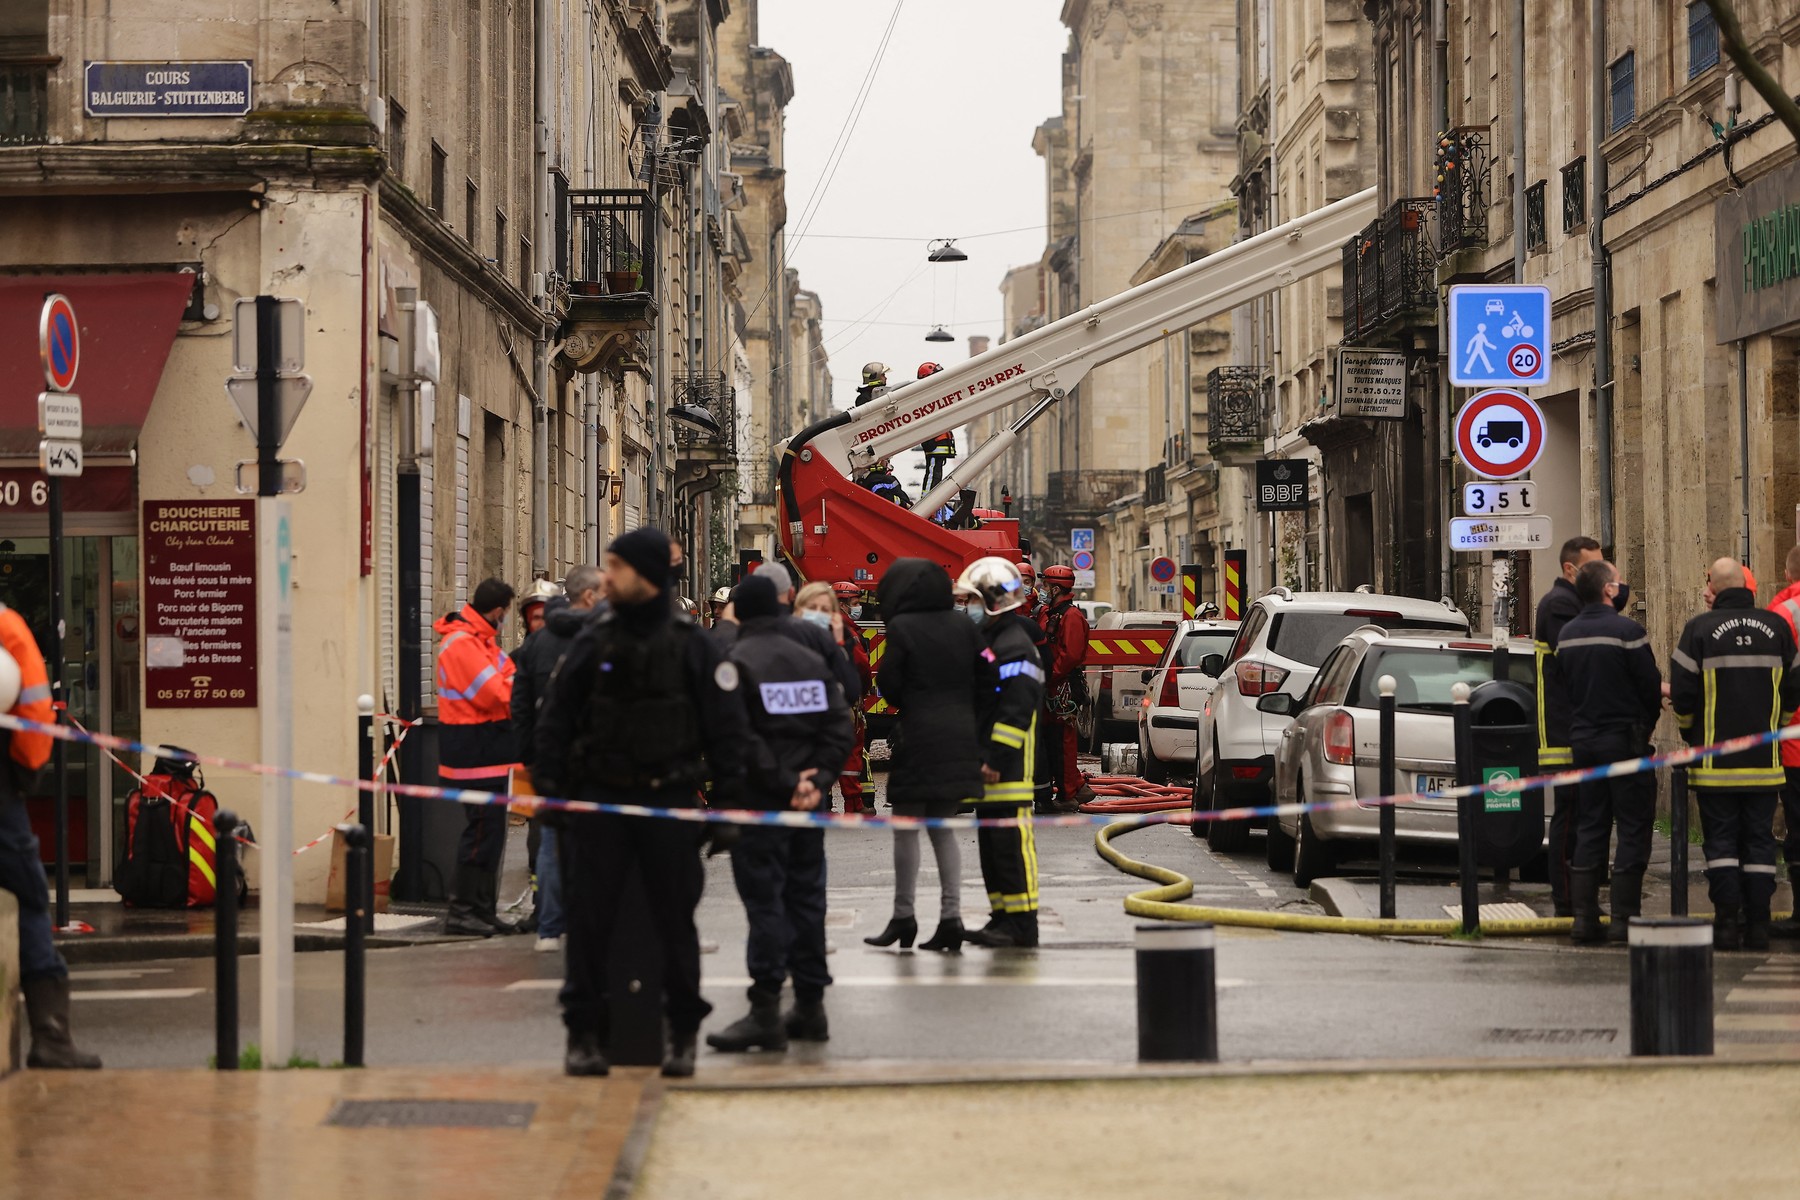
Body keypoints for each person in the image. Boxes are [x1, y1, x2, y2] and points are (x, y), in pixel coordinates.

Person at [533, 527, 751, 1079]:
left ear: (645, 573)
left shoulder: (691, 643)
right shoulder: (594, 640)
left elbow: (727, 730)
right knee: (589, 922)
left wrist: (727, 805)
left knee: (674, 921)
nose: (606, 577)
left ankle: (682, 1033)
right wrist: (552, 796)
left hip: (668, 801)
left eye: (616, 567)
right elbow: (555, 722)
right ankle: (584, 1034)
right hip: (601, 801)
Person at [706, 575, 855, 1053]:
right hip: (807, 805)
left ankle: (766, 1009)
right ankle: (811, 1006)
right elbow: (840, 723)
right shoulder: (810, 659)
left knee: (766, 904)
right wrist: (818, 779)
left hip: (762, 804)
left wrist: (786, 782)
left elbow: (736, 738)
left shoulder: (735, 663)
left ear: (741, 614)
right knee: (807, 900)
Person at [866, 559, 995, 955]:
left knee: (906, 828)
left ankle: (903, 916)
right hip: (960, 738)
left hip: (919, 737)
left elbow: (889, 683)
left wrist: (914, 697)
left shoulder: (902, 627)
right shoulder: (965, 626)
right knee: (943, 828)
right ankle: (951, 918)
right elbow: (990, 670)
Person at [1671, 557, 1800, 951]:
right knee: (1760, 844)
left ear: (1714, 584)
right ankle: (1759, 927)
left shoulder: (1699, 630)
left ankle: (1727, 924)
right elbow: (1794, 688)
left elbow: (1683, 694)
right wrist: (1777, 725)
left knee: (1722, 846)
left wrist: (1691, 733)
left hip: (1715, 767)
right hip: (1765, 766)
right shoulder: (1777, 627)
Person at [0, 600, 100, 1068]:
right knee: (28, 899)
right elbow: (36, 711)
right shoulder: (6, 626)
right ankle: (52, 1037)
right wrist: (23, 776)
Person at [1555, 560, 1663, 945]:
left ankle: (1584, 920)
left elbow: (1566, 688)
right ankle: (1623, 920)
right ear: (1607, 590)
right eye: (1617, 582)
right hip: (1624, 742)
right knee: (1633, 827)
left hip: (1584, 743)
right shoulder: (1627, 632)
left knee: (1590, 825)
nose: (1622, 586)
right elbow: (1649, 687)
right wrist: (1644, 726)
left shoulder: (1567, 635)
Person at [510, 564, 604, 952]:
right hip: (594, 760)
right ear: (589, 596)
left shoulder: (536, 644)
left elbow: (520, 707)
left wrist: (529, 756)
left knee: (550, 843)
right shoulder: (600, 637)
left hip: (550, 759)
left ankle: (549, 926)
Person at [957, 556, 1047, 949]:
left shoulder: (1015, 647)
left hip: (1007, 768)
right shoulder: (995, 642)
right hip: (990, 766)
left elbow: (1016, 710)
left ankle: (1022, 924)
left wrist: (995, 758)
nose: (968, 608)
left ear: (994, 602)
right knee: (993, 851)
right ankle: (1002, 917)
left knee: (1012, 849)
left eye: (973, 601)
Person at [435, 578, 522, 937]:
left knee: (491, 834)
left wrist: (511, 686)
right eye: (507, 612)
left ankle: (482, 910)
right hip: (472, 753)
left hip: (488, 752)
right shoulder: (462, 644)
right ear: (499, 611)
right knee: (481, 833)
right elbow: (495, 693)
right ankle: (462, 912)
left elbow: (510, 676)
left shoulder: (481, 641)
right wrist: (512, 688)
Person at [1533, 535, 1603, 917]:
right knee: (1570, 816)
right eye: (1594, 567)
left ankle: (1581, 897)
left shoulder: (1576, 603)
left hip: (1581, 725)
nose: (1602, 574)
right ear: (1570, 569)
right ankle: (1565, 899)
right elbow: (1580, 657)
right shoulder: (1559, 604)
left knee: (1584, 816)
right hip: (1564, 729)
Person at [795, 581, 874, 815]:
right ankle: (853, 803)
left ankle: (821, 803)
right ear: (840, 603)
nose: (858, 608)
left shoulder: (800, 633)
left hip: (810, 703)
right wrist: (861, 692)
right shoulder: (846, 633)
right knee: (850, 752)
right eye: (855, 603)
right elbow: (860, 667)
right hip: (841, 703)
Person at [1766, 545, 1800, 939]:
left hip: (1795, 744)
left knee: (1798, 828)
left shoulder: (1782, 614)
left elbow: (1776, 681)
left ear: (1788, 575)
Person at [1038, 564, 1091, 812]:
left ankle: (1069, 792)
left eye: (1046, 585)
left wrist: (1050, 676)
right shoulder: (1056, 613)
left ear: (1056, 588)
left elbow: (1070, 655)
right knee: (1054, 740)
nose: (1042, 589)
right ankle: (1074, 786)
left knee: (1064, 743)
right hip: (1055, 685)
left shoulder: (1071, 617)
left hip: (1063, 687)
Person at [915, 362, 958, 492]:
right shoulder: (927, 397)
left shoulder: (933, 395)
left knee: (935, 475)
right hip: (934, 444)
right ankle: (926, 499)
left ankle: (930, 498)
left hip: (938, 443)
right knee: (932, 474)